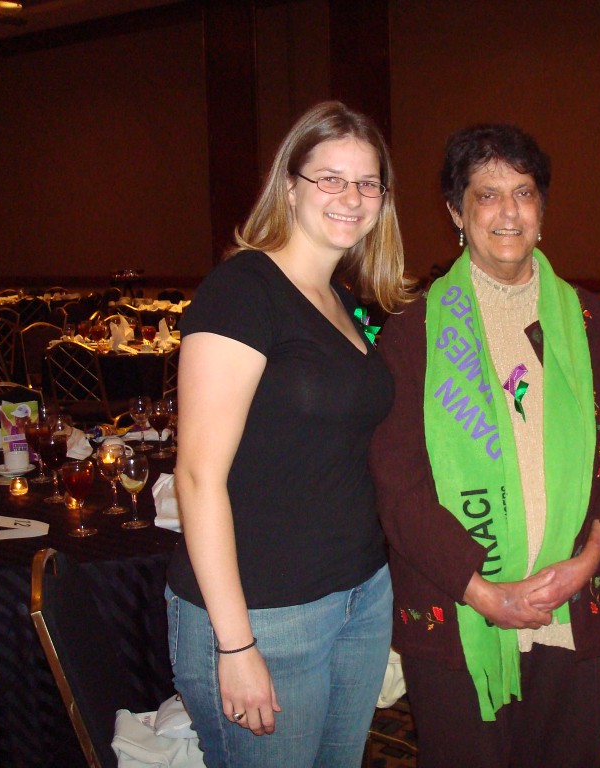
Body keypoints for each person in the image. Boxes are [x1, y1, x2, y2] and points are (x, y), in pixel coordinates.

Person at [370, 124, 600, 766]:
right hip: (457, 606)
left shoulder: (594, 324)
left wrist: (586, 560)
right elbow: (397, 484)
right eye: (487, 195)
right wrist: (484, 591)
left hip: (567, 603)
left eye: (524, 192)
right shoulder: (413, 334)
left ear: (542, 212)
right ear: (456, 214)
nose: (509, 212)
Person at [165, 101, 412, 767]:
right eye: (330, 178)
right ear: (290, 184)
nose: (351, 197)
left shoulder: (341, 301)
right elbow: (197, 477)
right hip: (266, 612)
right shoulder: (242, 289)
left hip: (359, 593)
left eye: (367, 183)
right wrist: (236, 643)